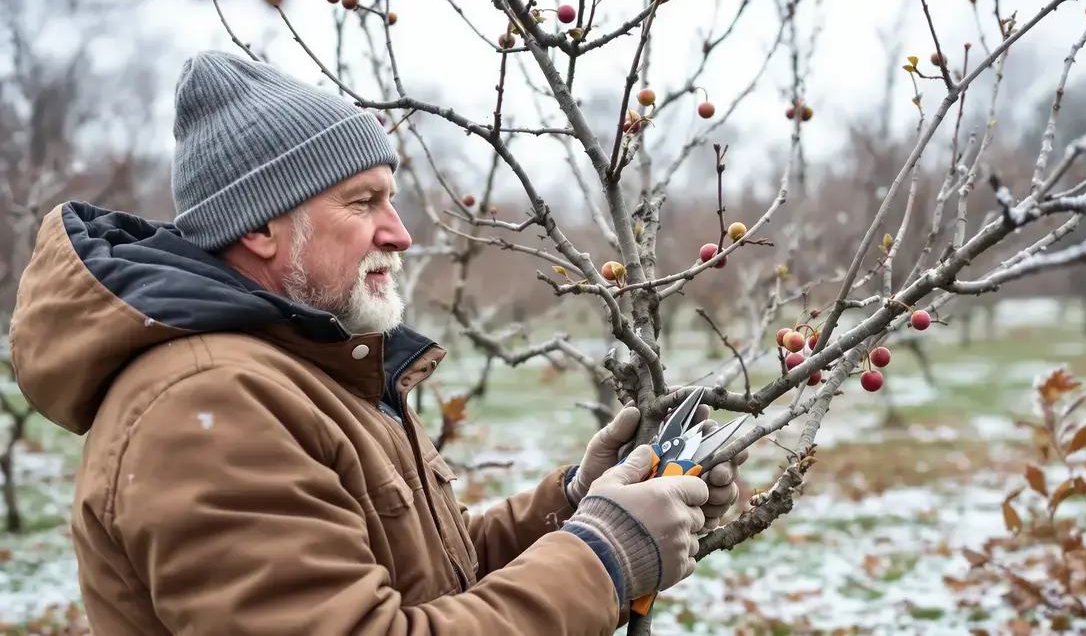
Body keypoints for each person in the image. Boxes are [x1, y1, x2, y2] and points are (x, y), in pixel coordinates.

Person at [7, 50, 748, 635]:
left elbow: (432, 582)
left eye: (391, 200)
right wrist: (605, 556)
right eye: (363, 202)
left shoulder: (308, 369)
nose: (400, 234)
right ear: (259, 226)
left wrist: (580, 501)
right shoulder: (209, 406)